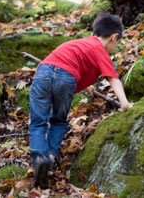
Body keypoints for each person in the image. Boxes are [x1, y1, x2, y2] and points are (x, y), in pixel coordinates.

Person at [29, 13, 134, 189]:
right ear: (115, 37)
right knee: (58, 121)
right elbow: (113, 79)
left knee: (38, 123)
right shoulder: (100, 51)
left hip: (43, 73)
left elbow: (67, 62)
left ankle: (40, 157)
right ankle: (52, 157)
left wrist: (86, 86)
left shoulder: (78, 43)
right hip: (65, 79)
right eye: (117, 43)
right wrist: (124, 103)